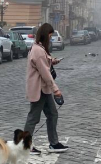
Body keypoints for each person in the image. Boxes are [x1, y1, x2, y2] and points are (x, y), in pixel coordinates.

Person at [24, 22, 68, 154]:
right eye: (50, 35)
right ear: (44, 35)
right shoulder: (37, 50)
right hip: (39, 89)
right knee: (33, 117)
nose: (51, 38)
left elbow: (43, 61)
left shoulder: (39, 47)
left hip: (44, 89)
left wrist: (52, 60)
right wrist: (56, 90)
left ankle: (54, 143)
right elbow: (45, 73)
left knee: (52, 114)